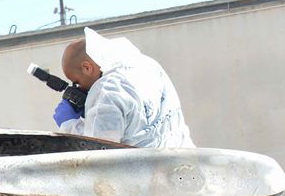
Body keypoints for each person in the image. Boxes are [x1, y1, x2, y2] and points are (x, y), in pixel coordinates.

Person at [53, 27, 194, 148]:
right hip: (185, 164)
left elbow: (98, 152)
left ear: (87, 67)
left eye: (77, 82)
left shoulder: (107, 90)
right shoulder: (147, 65)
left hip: (145, 175)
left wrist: (69, 124)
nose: (79, 88)